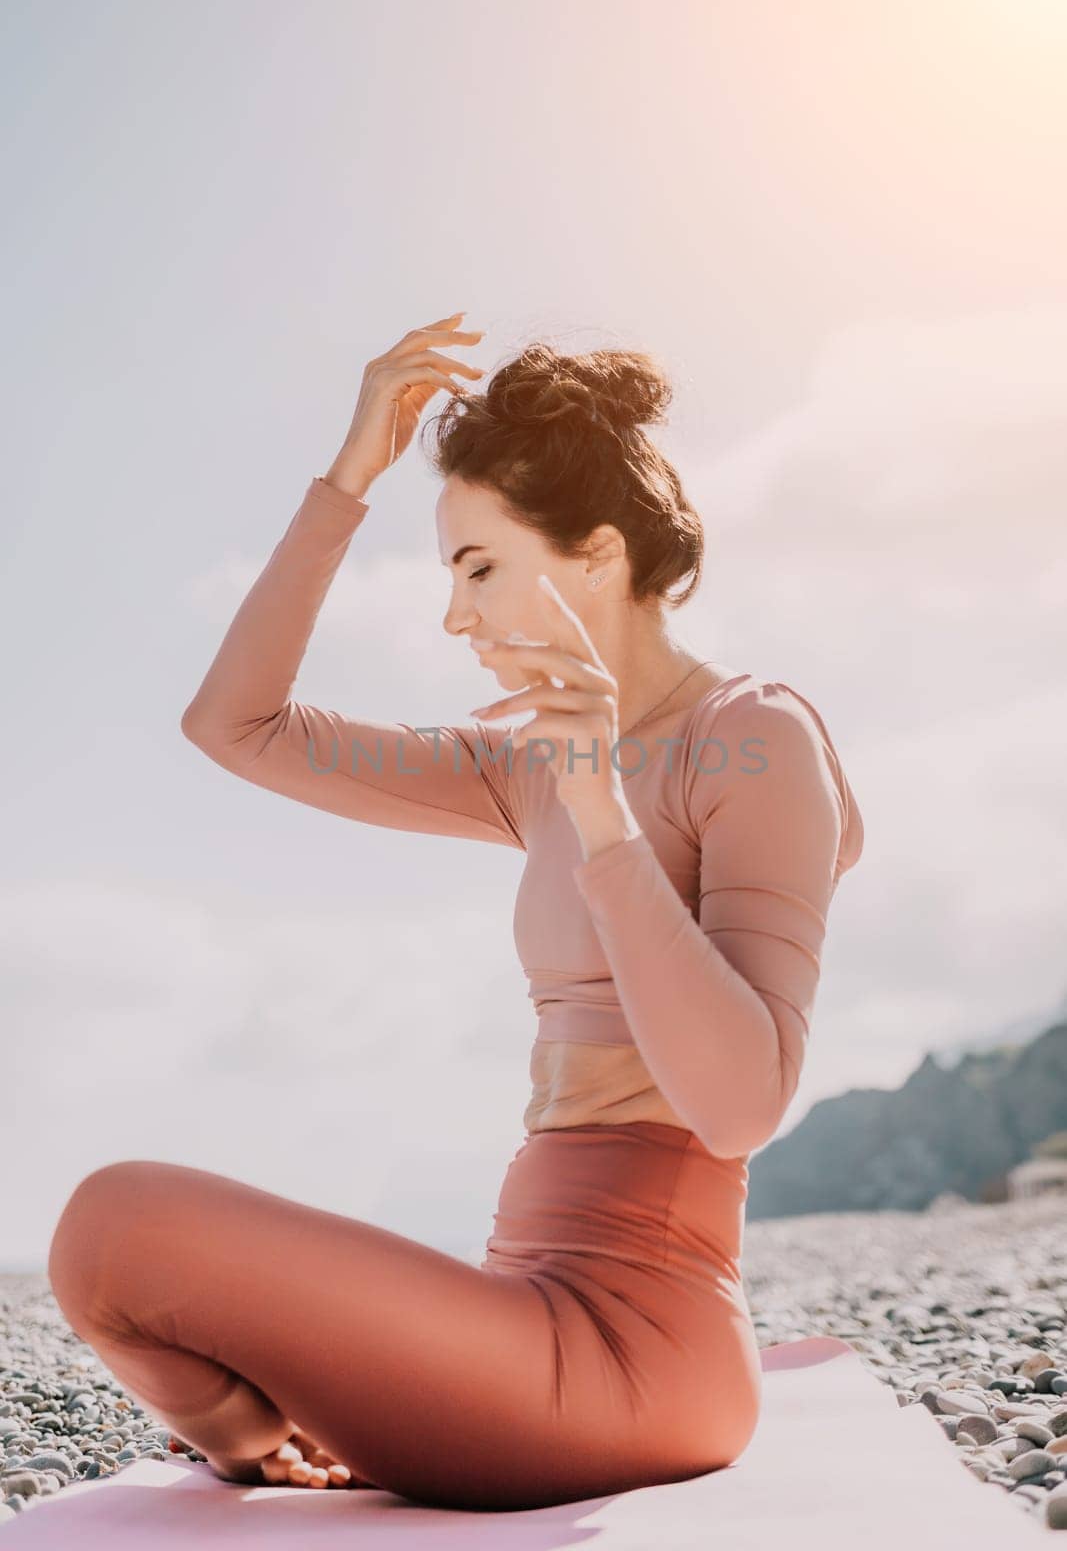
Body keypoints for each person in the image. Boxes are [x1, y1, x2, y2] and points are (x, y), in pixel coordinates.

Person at [46, 312, 865, 1511]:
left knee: (113, 1223)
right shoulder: (526, 762)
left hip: (640, 1359)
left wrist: (601, 820)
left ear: (596, 555)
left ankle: (273, 1436)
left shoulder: (751, 738)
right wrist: (346, 480)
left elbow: (740, 1104)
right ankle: (263, 1444)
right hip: (518, 1317)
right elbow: (237, 727)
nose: (453, 618)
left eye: (478, 567)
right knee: (105, 1236)